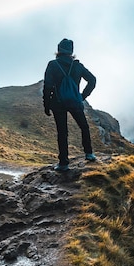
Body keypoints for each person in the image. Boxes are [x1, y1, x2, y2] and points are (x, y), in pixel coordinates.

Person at [43, 38, 97, 171]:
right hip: (75, 102)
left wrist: (47, 104)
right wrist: (82, 96)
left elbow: (48, 86)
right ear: (71, 51)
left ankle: (63, 163)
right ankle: (89, 153)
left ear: (59, 50)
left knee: (62, 132)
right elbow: (92, 80)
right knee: (84, 126)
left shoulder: (53, 65)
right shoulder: (77, 66)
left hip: (57, 102)